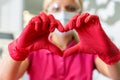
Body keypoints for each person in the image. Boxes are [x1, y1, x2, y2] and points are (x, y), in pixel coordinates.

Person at [0, 0, 120, 80]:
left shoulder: (89, 51)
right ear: (46, 13)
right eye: (56, 8)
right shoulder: (34, 50)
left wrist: (110, 54)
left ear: (79, 13)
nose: (63, 13)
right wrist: (17, 49)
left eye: (70, 8)